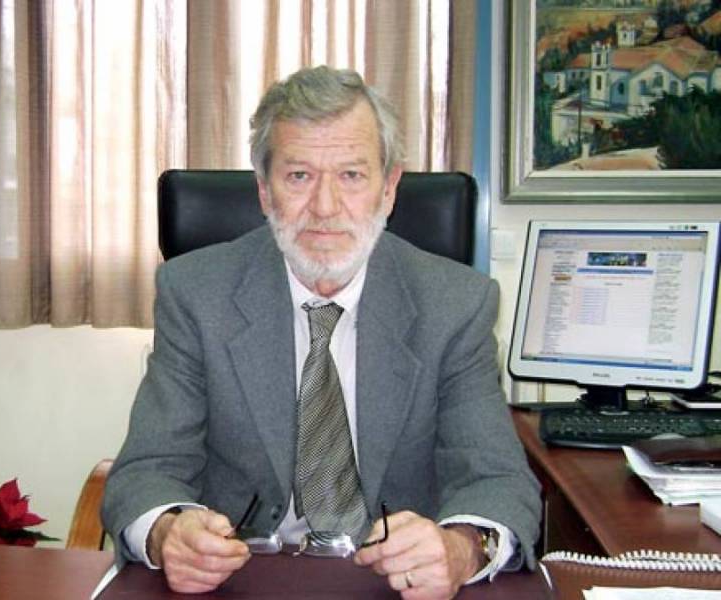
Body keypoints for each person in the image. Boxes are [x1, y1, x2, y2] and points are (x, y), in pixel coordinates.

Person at [102, 65, 541, 599]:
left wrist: (461, 548)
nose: (326, 208)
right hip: (243, 581)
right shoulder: (196, 294)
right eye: (299, 176)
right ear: (265, 192)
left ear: (389, 188)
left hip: (395, 585)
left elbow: (498, 480)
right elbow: (145, 471)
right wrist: (168, 532)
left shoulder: (456, 304)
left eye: (352, 175)